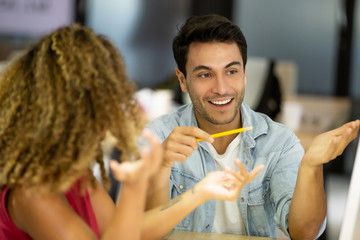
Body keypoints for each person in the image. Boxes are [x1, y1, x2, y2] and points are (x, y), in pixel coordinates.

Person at [0, 24, 265, 240]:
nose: (108, 123)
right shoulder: (33, 194)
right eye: (103, 106)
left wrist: (202, 191)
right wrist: (135, 188)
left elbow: (127, 232)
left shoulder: (74, 175)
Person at [141, 14, 360, 239]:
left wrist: (311, 166)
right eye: (205, 74)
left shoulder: (279, 141)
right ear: (183, 80)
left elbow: (305, 233)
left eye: (231, 71)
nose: (221, 88)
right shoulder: (156, 137)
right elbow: (140, 234)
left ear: (244, 74)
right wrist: (161, 165)